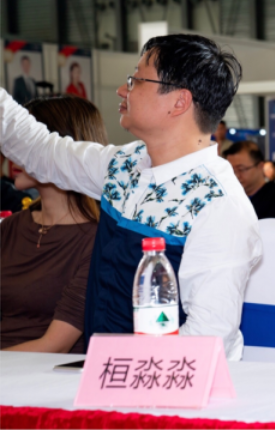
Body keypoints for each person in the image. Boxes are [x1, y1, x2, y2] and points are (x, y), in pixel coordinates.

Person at [0, 34, 261, 360]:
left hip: (164, 380)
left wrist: (124, 375)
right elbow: (41, 151)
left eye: (136, 80)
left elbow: (207, 338)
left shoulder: (217, 205)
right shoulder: (123, 165)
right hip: (104, 370)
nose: (122, 90)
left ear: (179, 102)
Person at [0, 95, 108, 354]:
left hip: (42, 373)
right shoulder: (10, 228)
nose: (12, 156)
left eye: (24, 146)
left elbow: (55, 345)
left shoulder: (98, 241)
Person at [224, 141, 275, 224]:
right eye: (230, 170)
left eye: (241, 169)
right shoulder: (227, 199)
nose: (236, 175)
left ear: (260, 166)